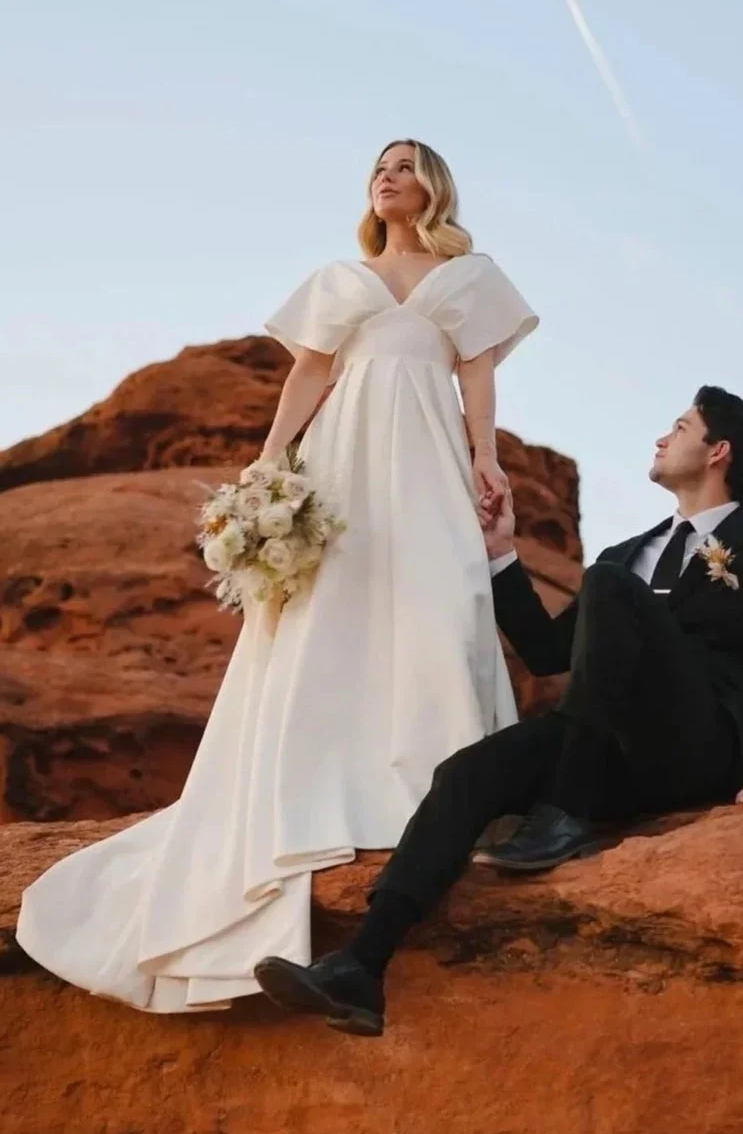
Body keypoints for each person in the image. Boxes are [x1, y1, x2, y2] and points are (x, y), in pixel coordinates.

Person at [16, 139, 538, 1012]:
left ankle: (438, 783)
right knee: (333, 608)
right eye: (381, 165)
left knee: (443, 604)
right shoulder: (343, 275)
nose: (390, 175)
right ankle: (322, 779)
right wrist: (268, 461)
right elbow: (312, 369)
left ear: (433, 186)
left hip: (428, 456)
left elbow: (475, 377)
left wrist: (484, 458)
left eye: (407, 165)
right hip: (345, 458)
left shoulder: (469, 274)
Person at [254, 386, 743, 1036]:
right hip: (610, 746)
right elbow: (546, 653)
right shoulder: (624, 555)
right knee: (466, 773)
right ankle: (361, 967)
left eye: (679, 427)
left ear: (718, 451)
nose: (661, 438)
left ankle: (566, 809)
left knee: (609, 589)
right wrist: (502, 551)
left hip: (698, 744)